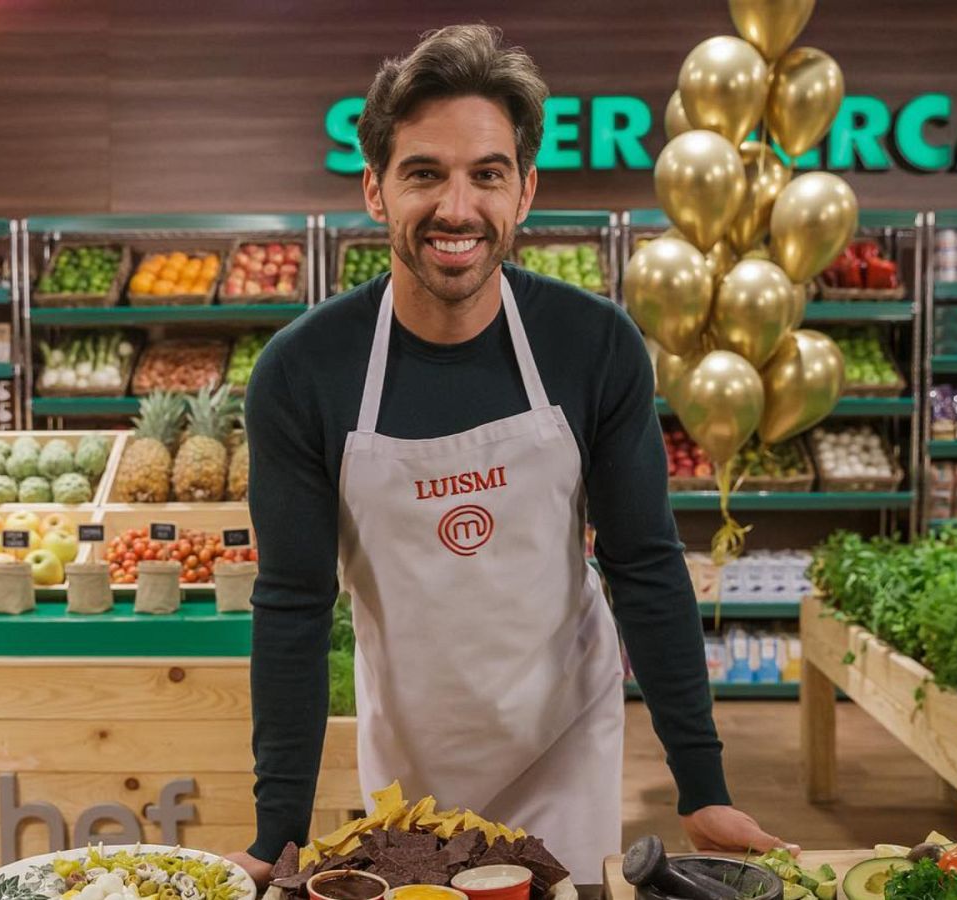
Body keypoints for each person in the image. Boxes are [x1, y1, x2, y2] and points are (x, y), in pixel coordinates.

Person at [228, 24, 795, 885]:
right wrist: (279, 829)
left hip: (562, 741)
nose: (457, 208)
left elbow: (644, 563)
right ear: (375, 191)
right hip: (409, 759)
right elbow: (294, 607)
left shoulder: (593, 345)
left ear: (524, 191)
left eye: (486, 174)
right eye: (424, 173)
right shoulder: (302, 373)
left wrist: (702, 783)